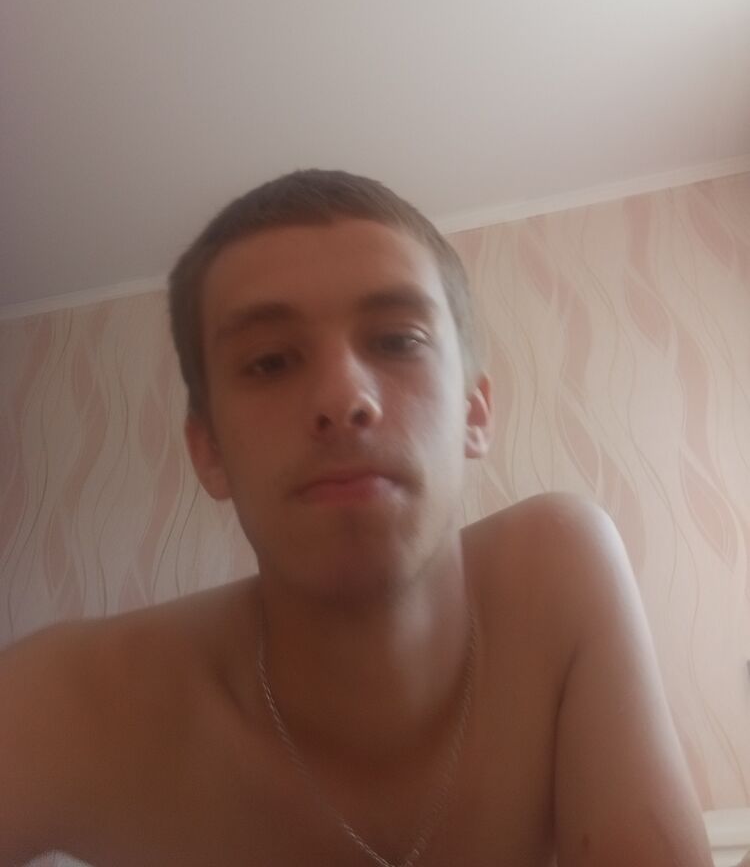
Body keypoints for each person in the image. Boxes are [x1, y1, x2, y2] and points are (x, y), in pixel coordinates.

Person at [1, 169, 713, 866]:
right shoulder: (73, 707)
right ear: (209, 449)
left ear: (473, 413)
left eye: (398, 340)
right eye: (270, 362)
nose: (343, 398)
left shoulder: (557, 574)